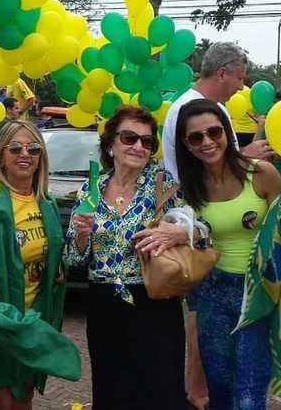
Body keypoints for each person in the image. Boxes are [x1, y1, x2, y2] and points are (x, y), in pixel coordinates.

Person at [65, 106, 200, 409]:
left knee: (160, 390)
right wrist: (82, 234)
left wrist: (180, 233)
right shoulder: (92, 188)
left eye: (147, 142)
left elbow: (202, 227)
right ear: (110, 144)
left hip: (154, 302)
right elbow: (74, 258)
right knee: (112, 389)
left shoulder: (163, 185)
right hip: (104, 306)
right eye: (129, 138)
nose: (139, 146)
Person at [0, 120, 81, 409]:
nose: (25, 154)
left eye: (33, 149)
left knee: (25, 393)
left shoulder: (46, 203)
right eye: (16, 148)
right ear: (1, 156)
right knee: (5, 397)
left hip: (36, 314)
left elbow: (54, 253)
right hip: (1, 313)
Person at [176, 98, 281, 410]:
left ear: (226, 132)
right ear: (186, 144)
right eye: (196, 137)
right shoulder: (189, 187)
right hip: (212, 293)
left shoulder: (261, 174)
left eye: (214, 132)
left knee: (249, 397)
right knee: (220, 389)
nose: (207, 142)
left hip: (258, 293)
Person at [162, 42, 274, 182]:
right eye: (240, 78)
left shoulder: (220, 108)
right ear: (221, 74)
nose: (241, 87)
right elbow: (197, 167)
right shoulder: (185, 109)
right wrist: (245, 156)